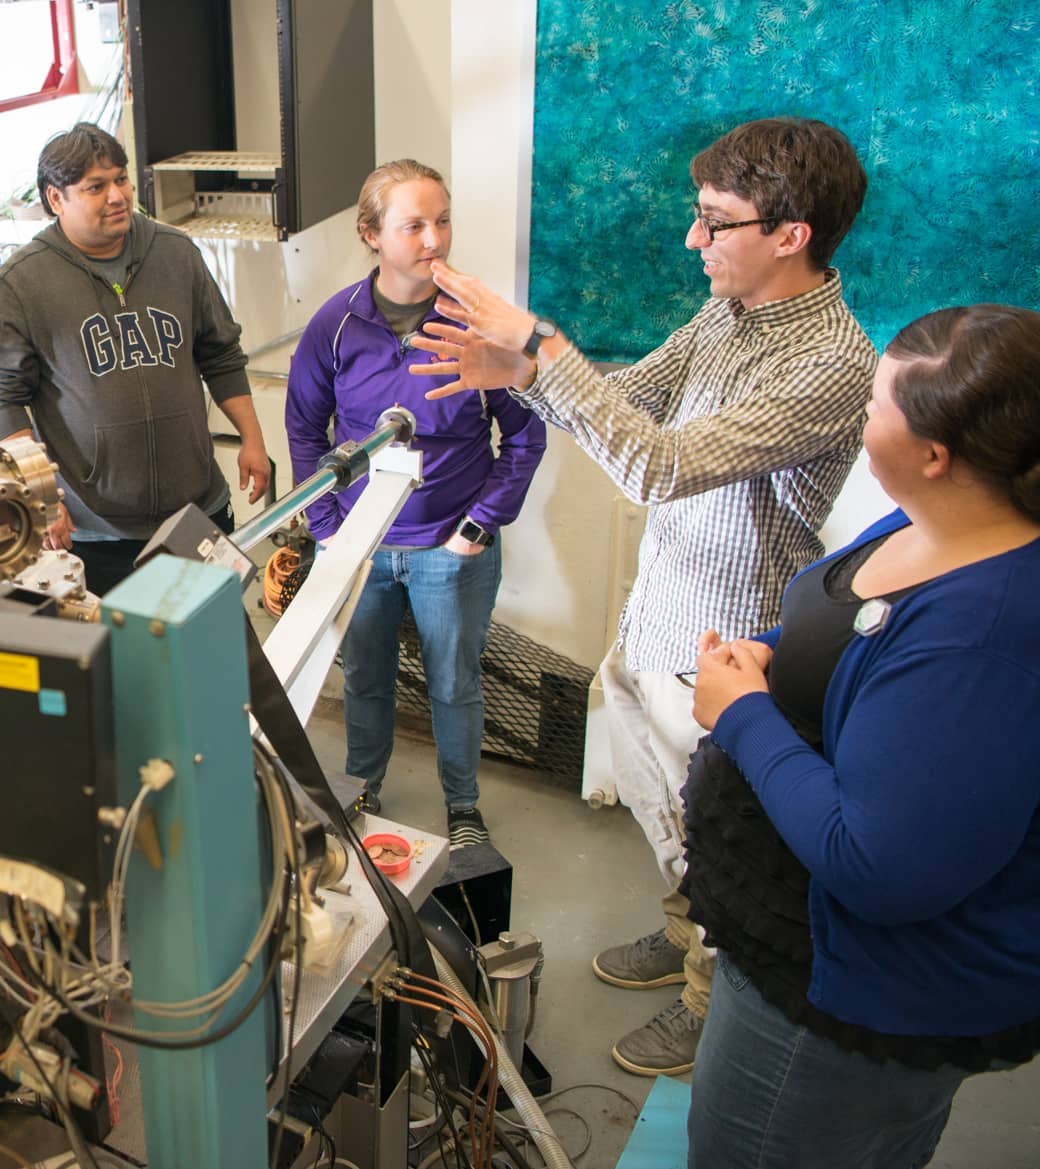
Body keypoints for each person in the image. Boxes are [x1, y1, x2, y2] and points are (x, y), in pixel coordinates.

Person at [408, 117, 877, 1075]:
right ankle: (683, 932)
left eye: (714, 222)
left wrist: (541, 342)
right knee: (670, 819)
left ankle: (714, 1000)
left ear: (790, 234)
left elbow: (657, 465)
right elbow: (637, 394)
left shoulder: (832, 363)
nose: (693, 241)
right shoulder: (727, 314)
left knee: (722, 840)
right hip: (656, 616)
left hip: (723, 641)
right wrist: (525, 378)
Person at [682, 304, 1040, 1168]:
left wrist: (741, 713)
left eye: (876, 406)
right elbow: (857, 634)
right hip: (787, 938)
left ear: (934, 454)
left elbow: (880, 865)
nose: (860, 417)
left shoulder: (984, 637)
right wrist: (775, 658)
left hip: (844, 1004)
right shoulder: (940, 518)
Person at [284, 160, 546, 849]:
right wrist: (330, 530)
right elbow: (306, 431)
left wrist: (477, 526)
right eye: (414, 225)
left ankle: (463, 809)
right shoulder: (334, 327)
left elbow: (524, 434)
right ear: (371, 234)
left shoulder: (477, 326)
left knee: (454, 682)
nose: (435, 239)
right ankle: (361, 790)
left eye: (444, 220)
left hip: (449, 547)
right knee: (365, 677)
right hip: (361, 547)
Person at [0, 123, 272, 595]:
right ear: (56, 199)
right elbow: (5, 397)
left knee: (219, 652)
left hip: (197, 511)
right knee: (125, 665)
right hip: (99, 533)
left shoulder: (176, 254)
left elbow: (220, 354)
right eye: (95, 187)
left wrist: (253, 439)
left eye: (121, 180)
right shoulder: (19, 285)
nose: (117, 196)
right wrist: (41, 496)